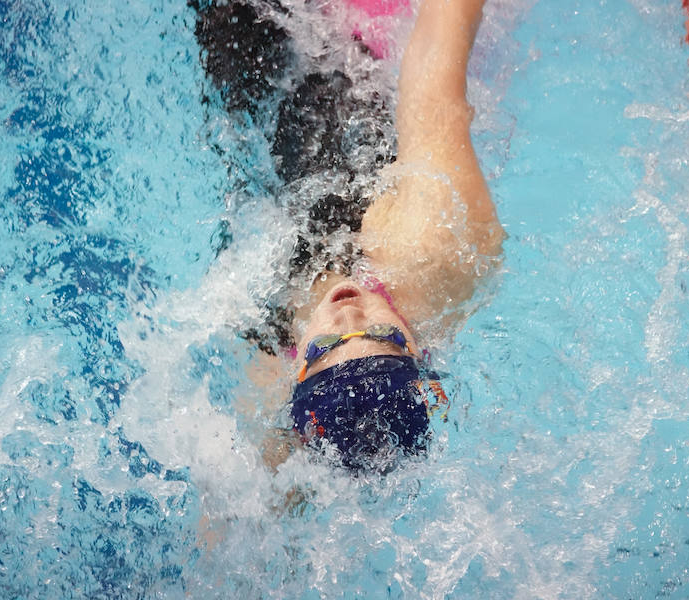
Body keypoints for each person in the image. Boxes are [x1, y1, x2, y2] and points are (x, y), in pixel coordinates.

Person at [195, 0, 504, 471]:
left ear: (298, 367)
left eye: (323, 346)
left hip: (262, 106)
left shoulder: (267, 350)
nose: (346, 311)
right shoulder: (433, 249)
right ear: (417, 352)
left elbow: (257, 493)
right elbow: (438, 69)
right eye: (381, 332)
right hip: (364, 44)